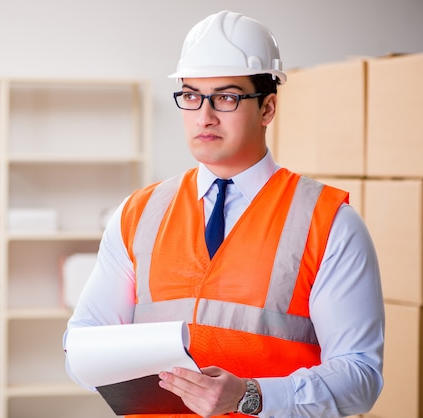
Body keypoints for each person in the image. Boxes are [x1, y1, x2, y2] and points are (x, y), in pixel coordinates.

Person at [64, 10, 384, 418]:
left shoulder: (329, 223)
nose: (204, 116)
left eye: (227, 97)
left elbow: (361, 377)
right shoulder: (136, 215)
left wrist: (252, 396)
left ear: (267, 108)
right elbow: (81, 349)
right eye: (192, 95)